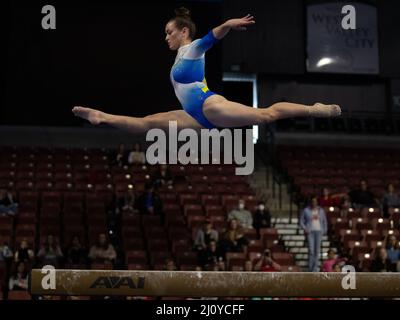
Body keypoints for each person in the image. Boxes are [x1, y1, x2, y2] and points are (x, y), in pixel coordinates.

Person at [72, 8, 340, 133]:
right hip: (193, 116)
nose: (165, 37)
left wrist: (228, 24)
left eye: (169, 32)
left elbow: (212, 37)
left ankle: (313, 108)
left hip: (210, 106)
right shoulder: (179, 56)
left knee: (266, 115)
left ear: (183, 31)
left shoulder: (193, 48)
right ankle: (101, 116)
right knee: (147, 124)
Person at [300, 196, 328, 272]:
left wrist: (324, 230)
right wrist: (305, 228)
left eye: (315, 201)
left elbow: (324, 221)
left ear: (317, 202)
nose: (314, 203)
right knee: (311, 250)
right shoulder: (306, 210)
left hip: (319, 231)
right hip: (310, 232)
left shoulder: (321, 210)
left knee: (317, 251)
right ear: (311, 202)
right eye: (312, 201)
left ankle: (315, 268)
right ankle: (310, 268)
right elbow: (301, 221)